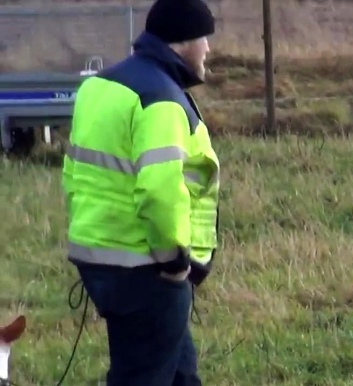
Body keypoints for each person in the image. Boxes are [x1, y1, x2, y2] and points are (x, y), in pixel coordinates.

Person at [61, 0, 220, 384]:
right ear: (181, 43)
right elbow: (159, 191)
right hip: (146, 269)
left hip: (98, 257)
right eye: (203, 38)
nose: (209, 49)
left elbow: (73, 172)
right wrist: (173, 261)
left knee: (181, 373)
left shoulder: (99, 86)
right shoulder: (161, 99)